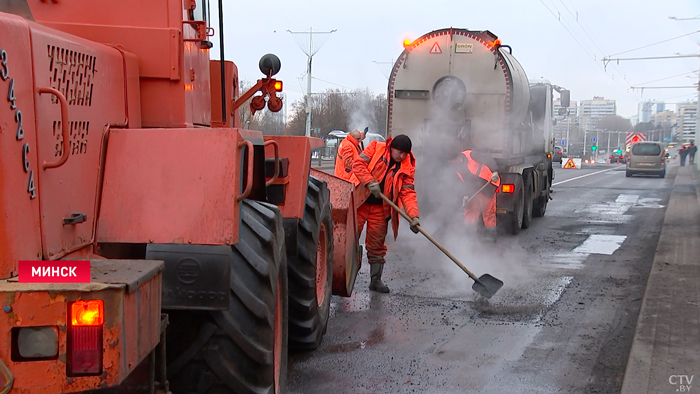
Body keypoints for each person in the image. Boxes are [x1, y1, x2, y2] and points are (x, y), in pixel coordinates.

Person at [352, 134, 420, 293]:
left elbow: (408, 193)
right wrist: (369, 181)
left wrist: (414, 216)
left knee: (376, 245)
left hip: (381, 209)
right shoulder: (376, 147)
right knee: (348, 239)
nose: (401, 156)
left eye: (405, 153)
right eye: (399, 152)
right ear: (391, 147)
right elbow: (358, 164)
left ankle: (375, 280)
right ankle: (340, 276)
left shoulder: (407, 166)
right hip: (360, 202)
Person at [452, 150, 500, 242]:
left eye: (454, 160)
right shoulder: (456, 167)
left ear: (458, 157)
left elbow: (488, 158)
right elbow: (463, 182)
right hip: (473, 189)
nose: (454, 163)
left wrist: (495, 171)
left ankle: (491, 236)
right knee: (470, 211)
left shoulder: (471, 155)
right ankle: (469, 237)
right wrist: (465, 195)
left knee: (488, 212)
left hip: (488, 185)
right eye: (452, 162)